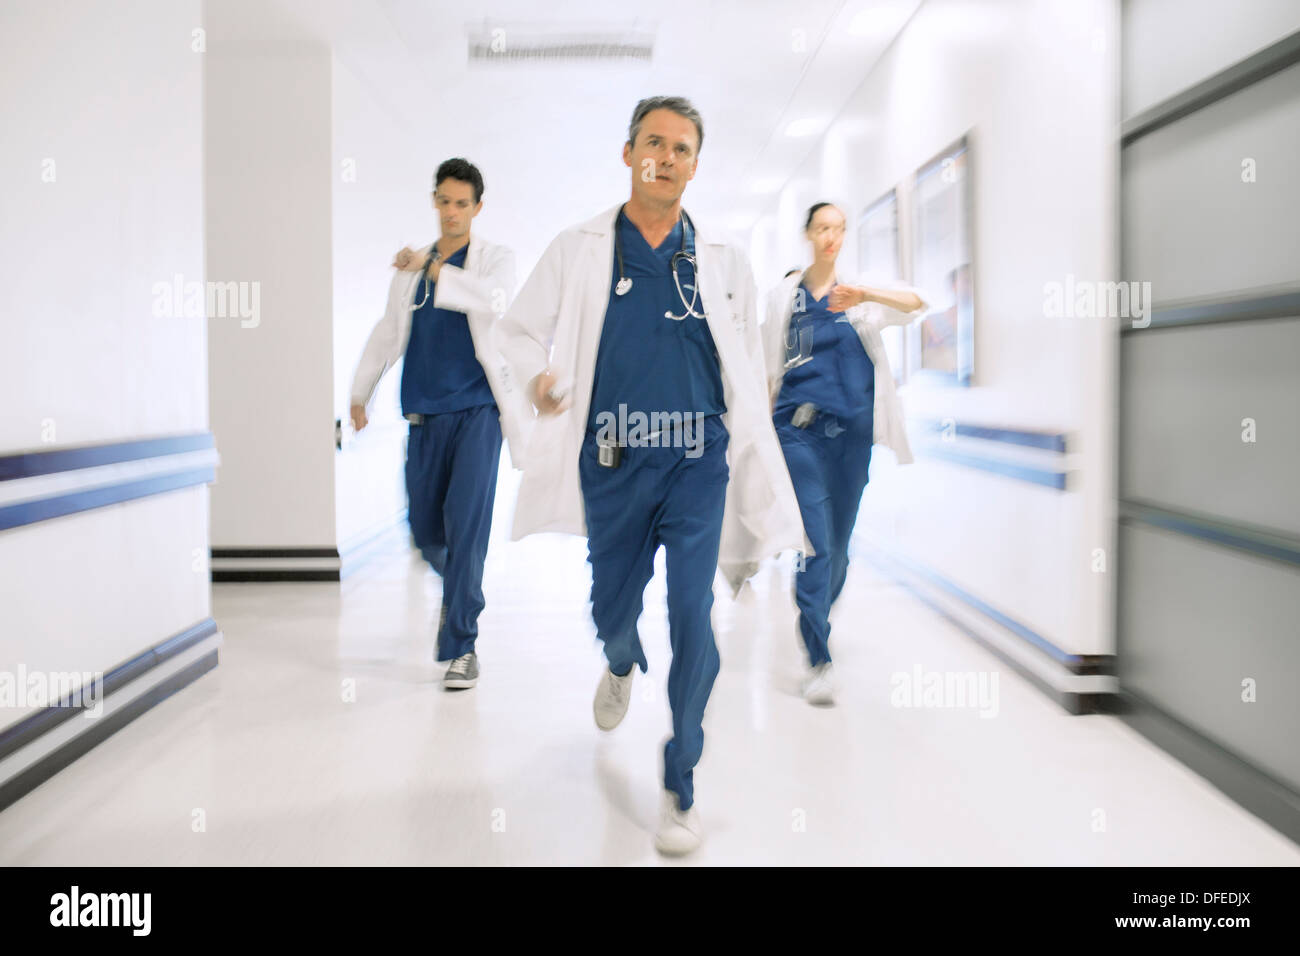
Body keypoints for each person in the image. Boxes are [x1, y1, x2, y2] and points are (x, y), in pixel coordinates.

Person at [496, 96, 806, 856]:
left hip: (698, 463)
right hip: (612, 459)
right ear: (628, 151)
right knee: (610, 607)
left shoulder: (723, 261)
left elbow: (746, 362)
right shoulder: (580, 248)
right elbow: (515, 330)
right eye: (653, 143)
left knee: (693, 618)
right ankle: (619, 656)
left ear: (697, 164)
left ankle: (681, 781)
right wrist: (539, 380)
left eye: (681, 149)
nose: (665, 159)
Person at [350, 157, 532, 691]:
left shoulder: (494, 258)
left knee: (466, 526)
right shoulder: (412, 272)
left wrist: (432, 270)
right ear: (434, 200)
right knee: (427, 532)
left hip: (478, 412)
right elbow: (389, 333)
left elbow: (494, 300)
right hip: (424, 414)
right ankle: (462, 590)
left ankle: (462, 644)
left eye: (462, 204)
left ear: (477, 208)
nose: (451, 213)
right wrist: (361, 393)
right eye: (444, 201)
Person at [760, 201, 927, 705]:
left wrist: (866, 291)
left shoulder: (861, 297)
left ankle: (817, 616)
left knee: (839, 551)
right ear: (808, 234)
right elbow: (765, 365)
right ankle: (819, 658)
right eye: (822, 228)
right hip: (798, 433)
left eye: (838, 228)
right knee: (817, 545)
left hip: (852, 439)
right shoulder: (784, 298)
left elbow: (918, 303)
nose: (830, 236)